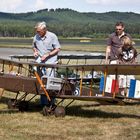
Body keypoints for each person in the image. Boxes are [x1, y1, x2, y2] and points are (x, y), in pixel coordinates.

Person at [32, 21, 61, 107]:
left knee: (50, 83)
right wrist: (35, 52)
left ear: (44, 30)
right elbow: (33, 47)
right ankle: (43, 103)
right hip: (40, 63)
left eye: (39, 31)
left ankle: (51, 103)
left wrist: (48, 54)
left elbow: (58, 49)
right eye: (37, 31)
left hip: (50, 63)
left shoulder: (52, 36)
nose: (37, 33)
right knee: (41, 82)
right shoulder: (36, 37)